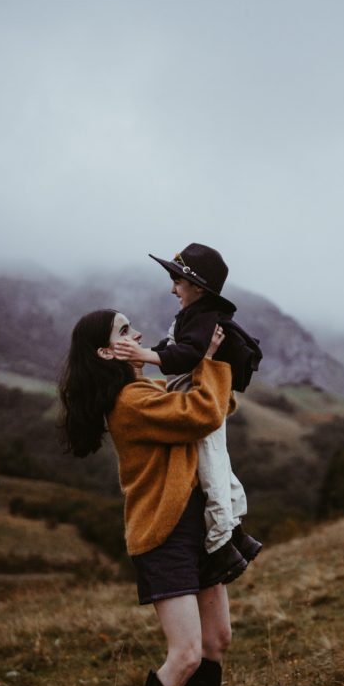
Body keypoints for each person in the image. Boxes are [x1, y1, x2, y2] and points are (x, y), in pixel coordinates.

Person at [59, 308, 247, 686]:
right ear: (107, 352)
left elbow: (217, 407)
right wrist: (206, 358)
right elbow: (205, 412)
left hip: (196, 527)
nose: (138, 334)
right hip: (163, 536)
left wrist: (209, 369)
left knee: (216, 640)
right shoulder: (130, 402)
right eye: (125, 332)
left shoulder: (147, 390)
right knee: (185, 654)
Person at [111, 243, 262, 587]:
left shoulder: (204, 319)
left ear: (196, 287)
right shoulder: (193, 316)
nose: (172, 288)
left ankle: (222, 544)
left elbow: (186, 354)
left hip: (198, 404)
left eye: (177, 281)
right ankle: (235, 535)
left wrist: (143, 354)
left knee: (212, 473)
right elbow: (175, 349)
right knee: (219, 471)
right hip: (195, 396)